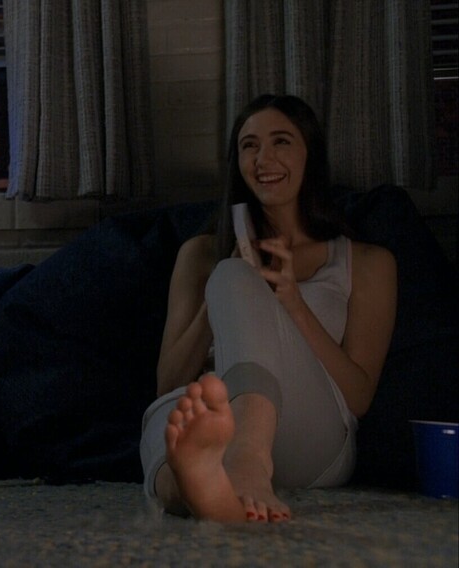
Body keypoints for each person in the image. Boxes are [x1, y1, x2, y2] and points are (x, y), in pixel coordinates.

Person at [139, 94, 398, 523]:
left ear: (310, 155)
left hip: (312, 434)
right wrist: (219, 295)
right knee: (169, 420)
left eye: (281, 141)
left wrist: (292, 302)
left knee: (235, 277)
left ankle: (247, 456)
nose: (263, 159)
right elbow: (168, 381)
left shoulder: (368, 262)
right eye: (249, 146)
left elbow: (359, 397)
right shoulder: (200, 255)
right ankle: (194, 489)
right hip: (215, 411)